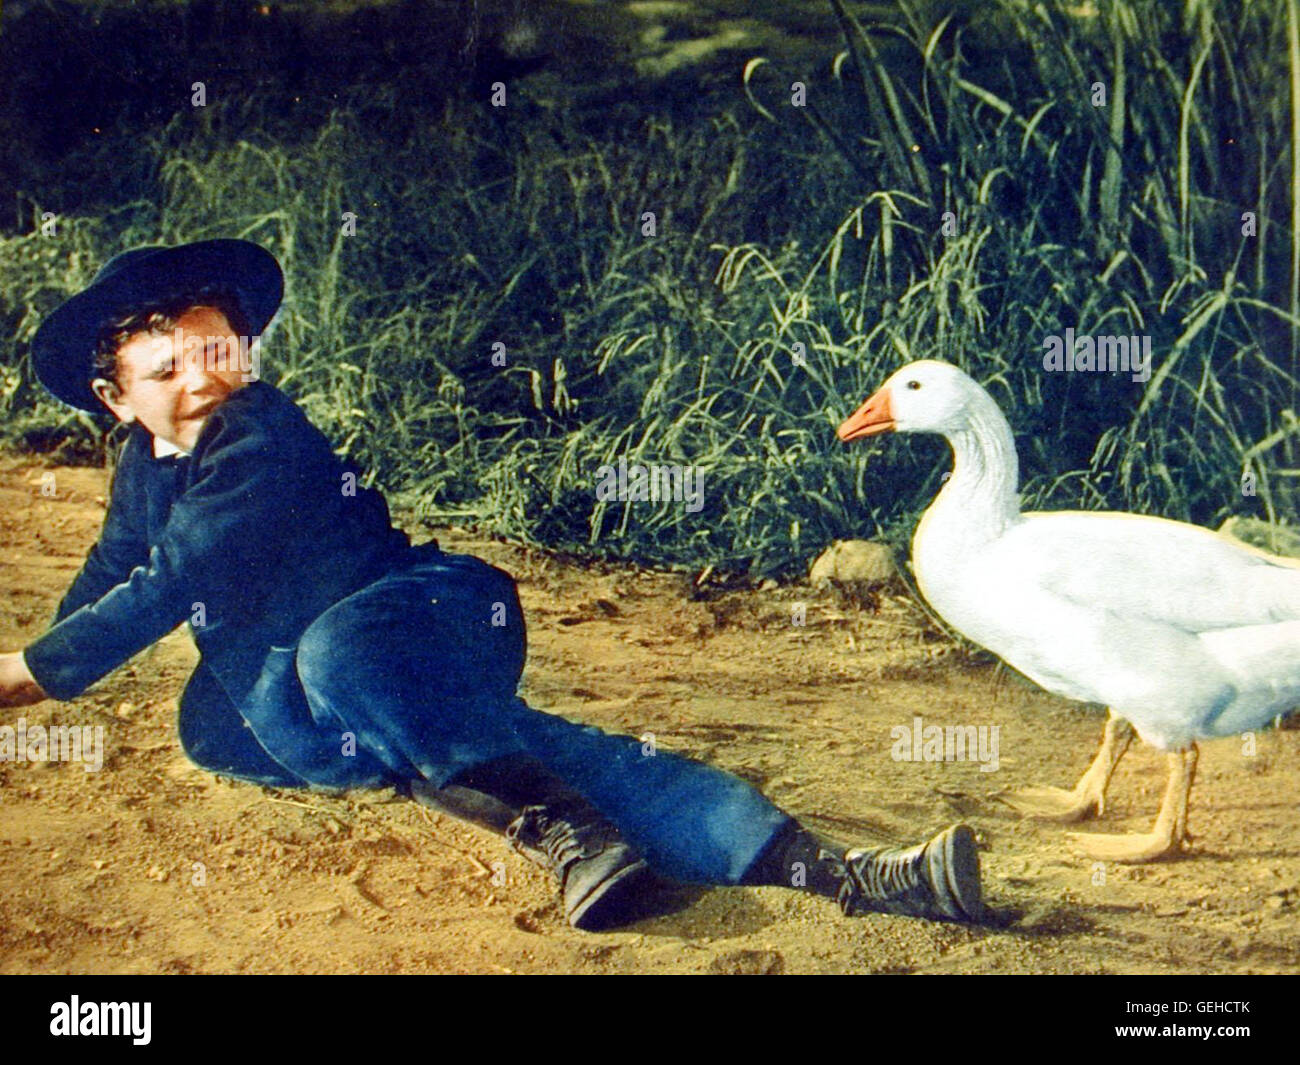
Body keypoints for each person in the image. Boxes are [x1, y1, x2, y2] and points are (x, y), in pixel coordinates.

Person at [0, 239, 984, 931]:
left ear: (248, 358)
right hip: (322, 695)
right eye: (165, 369)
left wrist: (31, 675)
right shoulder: (141, 469)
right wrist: (43, 645)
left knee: (344, 652)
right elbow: (114, 568)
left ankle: (627, 839)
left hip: (424, 616)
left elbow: (175, 577)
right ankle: (815, 866)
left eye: (219, 354)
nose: (199, 381)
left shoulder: (260, 436)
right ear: (116, 399)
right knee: (227, 718)